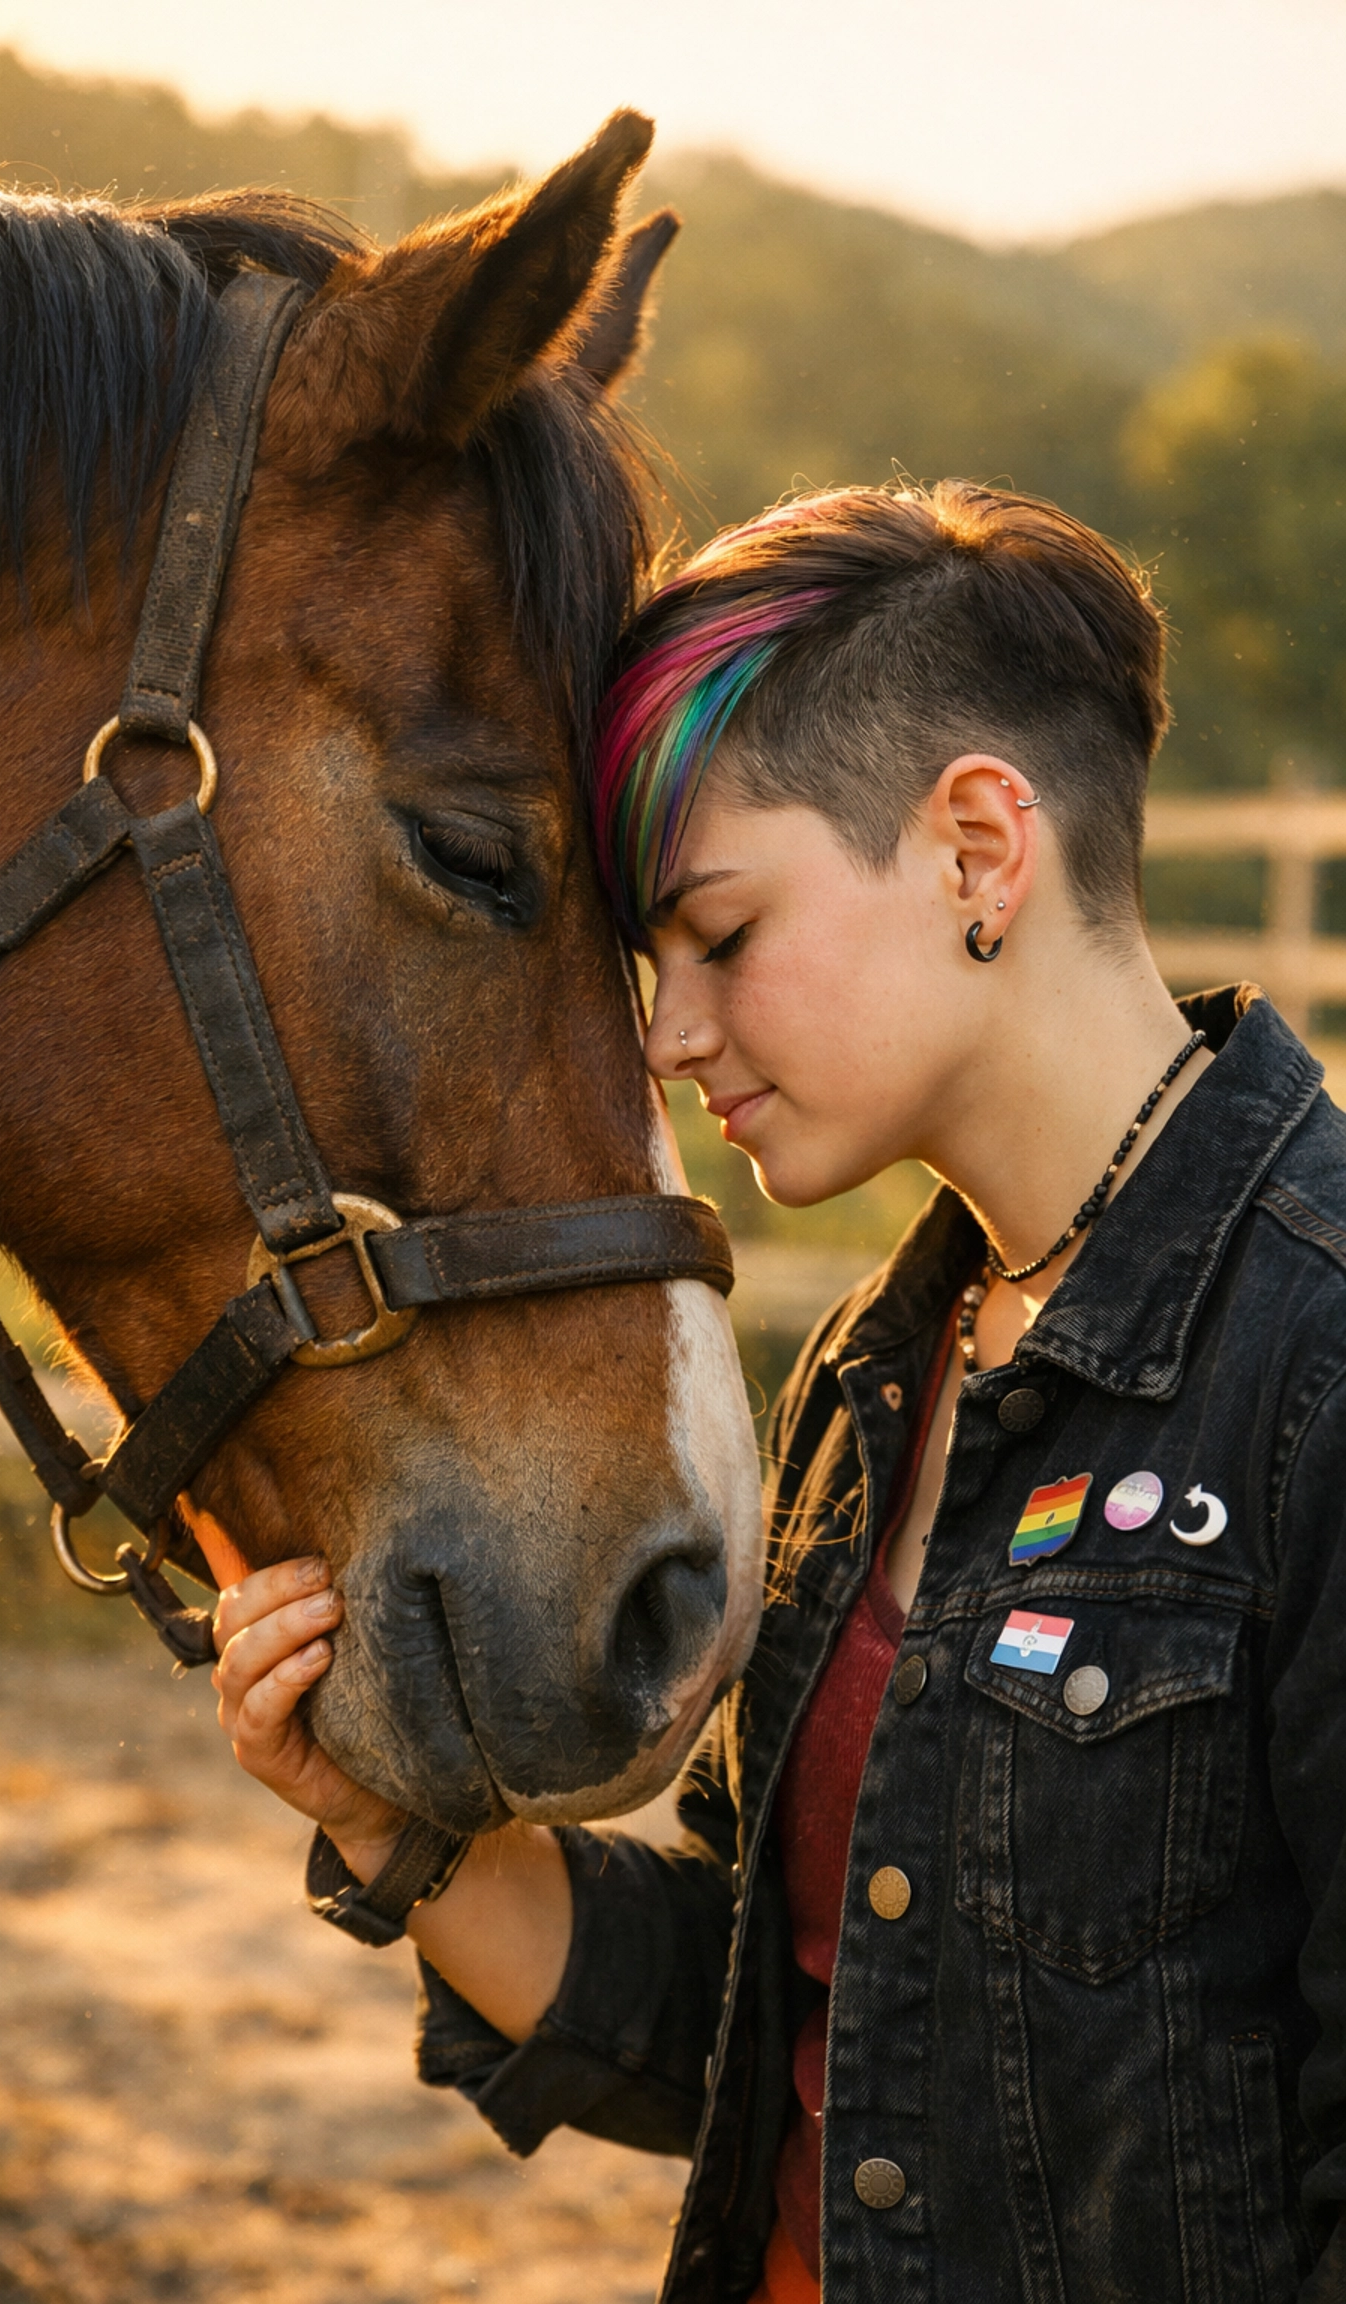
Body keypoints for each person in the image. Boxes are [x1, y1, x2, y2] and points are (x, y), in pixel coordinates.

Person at [206, 482, 1346, 2303]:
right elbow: (755, 2021)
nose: (664, 1032)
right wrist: (384, 1828)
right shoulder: (871, 1378)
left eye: (716, 937)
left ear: (981, 850)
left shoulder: (1318, 1367)